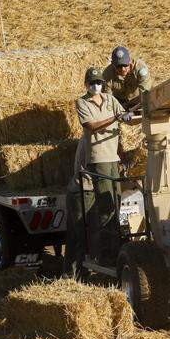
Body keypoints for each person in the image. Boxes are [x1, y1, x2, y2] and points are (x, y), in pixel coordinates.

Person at [66, 66, 134, 270]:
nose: (96, 86)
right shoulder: (82, 102)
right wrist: (116, 118)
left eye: (99, 83)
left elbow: (125, 119)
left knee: (116, 203)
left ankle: (115, 250)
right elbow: (92, 126)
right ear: (86, 84)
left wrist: (131, 117)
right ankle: (107, 255)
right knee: (106, 206)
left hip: (113, 157)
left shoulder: (110, 99)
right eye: (93, 82)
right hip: (99, 158)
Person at [102, 46, 151, 111]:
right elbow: (107, 98)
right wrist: (118, 110)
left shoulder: (140, 68)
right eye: (119, 66)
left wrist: (138, 108)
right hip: (119, 105)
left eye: (125, 65)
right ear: (113, 64)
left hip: (138, 102)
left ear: (129, 61)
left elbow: (145, 91)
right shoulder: (107, 74)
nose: (123, 69)